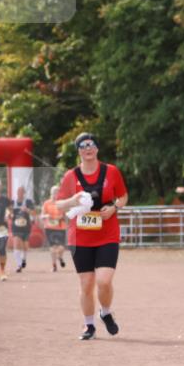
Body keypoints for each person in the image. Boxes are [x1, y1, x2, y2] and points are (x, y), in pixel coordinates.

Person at [54, 133, 128, 340]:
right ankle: (89, 326)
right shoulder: (71, 176)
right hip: (80, 237)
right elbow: (58, 204)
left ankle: (105, 312)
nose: (88, 148)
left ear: (97, 148)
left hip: (107, 234)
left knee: (103, 282)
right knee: (86, 284)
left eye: (91, 144)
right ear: (78, 150)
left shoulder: (111, 171)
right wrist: (74, 199)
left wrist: (114, 208)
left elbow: (123, 196)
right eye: (83, 145)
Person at [8, 185, 36, 272]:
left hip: (26, 227)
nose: (20, 193)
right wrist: (10, 214)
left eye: (21, 192)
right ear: (17, 193)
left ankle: (23, 259)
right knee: (16, 244)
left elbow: (34, 213)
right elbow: (9, 213)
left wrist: (27, 210)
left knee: (25, 246)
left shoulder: (28, 202)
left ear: (24, 193)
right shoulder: (13, 202)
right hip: (16, 227)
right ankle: (19, 265)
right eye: (18, 192)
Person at [41, 185, 68, 272]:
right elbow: (42, 215)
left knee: (61, 248)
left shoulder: (62, 203)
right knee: (53, 248)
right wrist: (46, 216)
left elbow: (66, 215)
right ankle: (54, 266)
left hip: (60, 227)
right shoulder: (46, 203)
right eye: (54, 192)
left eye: (57, 192)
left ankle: (60, 257)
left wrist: (62, 217)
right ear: (51, 193)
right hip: (49, 227)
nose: (56, 194)